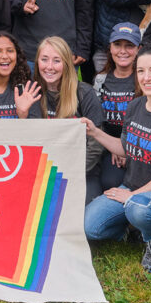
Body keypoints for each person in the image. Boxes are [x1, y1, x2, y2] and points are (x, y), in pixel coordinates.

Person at [82, 43, 151, 273]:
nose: (146, 77)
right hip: (130, 186)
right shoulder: (135, 106)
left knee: (136, 209)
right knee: (90, 227)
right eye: (141, 71)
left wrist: (131, 195)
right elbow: (125, 148)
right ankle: (131, 229)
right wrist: (94, 132)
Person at [34, 36, 106, 200]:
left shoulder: (84, 93)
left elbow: (95, 145)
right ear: (37, 62)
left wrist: (71, 172)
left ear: (67, 63)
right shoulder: (32, 93)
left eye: (56, 61)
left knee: (87, 218)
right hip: (44, 169)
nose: (49, 67)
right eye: (44, 60)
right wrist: (22, 114)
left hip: (82, 169)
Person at [93, 23, 141, 193]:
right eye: (117, 45)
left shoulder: (143, 80)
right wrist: (114, 147)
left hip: (139, 145)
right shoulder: (100, 80)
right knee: (109, 181)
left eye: (129, 46)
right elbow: (97, 120)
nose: (123, 51)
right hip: (109, 143)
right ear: (110, 48)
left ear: (138, 49)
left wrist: (125, 148)